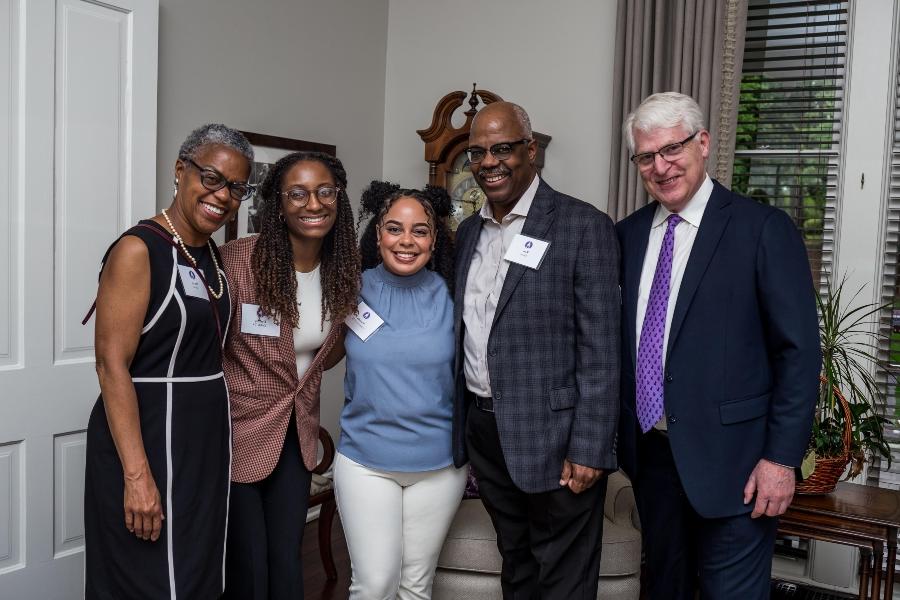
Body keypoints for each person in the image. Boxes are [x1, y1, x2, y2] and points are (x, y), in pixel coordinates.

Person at [616, 91, 821, 599]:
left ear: (703, 143)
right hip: (653, 458)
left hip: (739, 466)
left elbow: (798, 353)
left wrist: (780, 460)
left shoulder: (761, 229)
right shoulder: (625, 236)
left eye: (672, 149)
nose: (660, 167)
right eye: (646, 156)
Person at [451, 101, 621, 598]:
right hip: (486, 431)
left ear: (530, 151)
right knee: (518, 569)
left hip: (557, 439)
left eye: (502, 148)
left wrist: (590, 446)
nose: (489, 162)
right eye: (477, 152)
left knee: (563, 580)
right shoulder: (467, 234)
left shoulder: (581, 225)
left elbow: (602, 350)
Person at [84, 124, 253, 599]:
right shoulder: (139, 250)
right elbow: (110, 365)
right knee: (146, 579)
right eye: (212, 178)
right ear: (181, 171)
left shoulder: (209, 256)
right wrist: (137, 476)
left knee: (196, 574)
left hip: (201, 447)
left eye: (236, 188)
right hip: (149, 440)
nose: (223, 196)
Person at [220, 152, 360, 600]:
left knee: (285, 557)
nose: (313, 204)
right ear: (278, 204)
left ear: (338, 198)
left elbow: (331, 349)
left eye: (324, 192)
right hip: (236, 433)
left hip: (296, 435)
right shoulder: (236, 261)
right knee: (247, 563)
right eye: (297, 193)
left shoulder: (343, 269)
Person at [334, 182, 466, 600]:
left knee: (415, 586)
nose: (406, 241)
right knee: (374, 584)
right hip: (365, 462)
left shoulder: (455, 296)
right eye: (394, 229)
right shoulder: (348, 290)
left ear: (434, 239)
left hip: (440, 466)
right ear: (377, 235)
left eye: (420, 231)